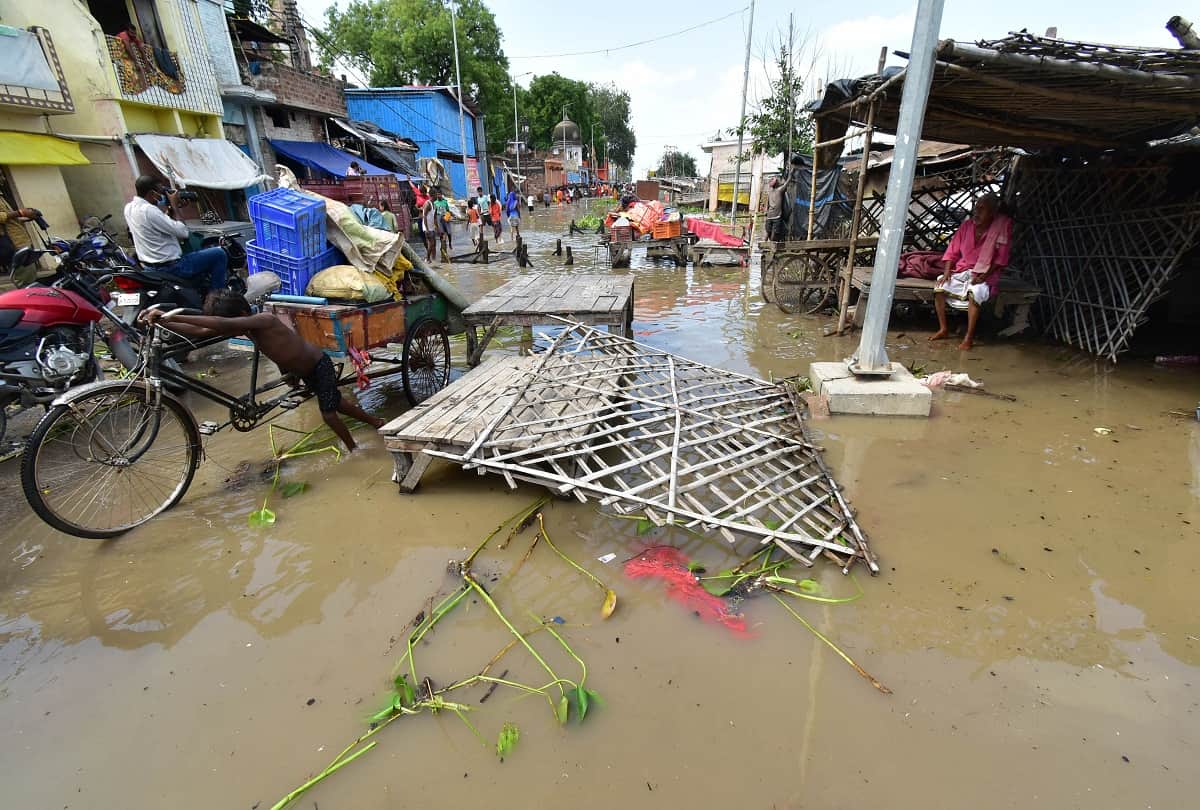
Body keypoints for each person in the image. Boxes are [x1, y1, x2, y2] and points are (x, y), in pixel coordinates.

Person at [143, 291, 383, 450]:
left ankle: (354, 450)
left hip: (319, 366)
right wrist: (163, 322)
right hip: (303, 371)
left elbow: (222, 325)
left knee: (329, 414)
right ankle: (376, 422)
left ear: (242, 315)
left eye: (233, 321)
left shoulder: (264, 320)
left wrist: (167, 314)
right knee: (335, 403)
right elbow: (203, 331)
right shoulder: (247, 325)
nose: (231, 325)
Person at [929, 193, 1013, 351]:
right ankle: (943, 329)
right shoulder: (966, 226)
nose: (977, 213)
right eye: (976, 208)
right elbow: (951, 252)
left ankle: (969, 337)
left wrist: (983, 276)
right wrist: (947, 273)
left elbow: (1000, 259)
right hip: (962, 270)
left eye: (982, 209)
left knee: (976, 292)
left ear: (993, 213)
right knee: (940, 285)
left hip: (986, 275)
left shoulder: (1000, 229)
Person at [124, 175, 227, 290]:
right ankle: (217, 296)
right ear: (152, 193)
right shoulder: (149, 210)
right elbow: (183, 232)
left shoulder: (129, 208)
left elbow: (160, 224)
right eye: (160, 192)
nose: (162, 196)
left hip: (149, 267)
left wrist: (172, 209)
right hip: (172, 267)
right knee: (219, 254)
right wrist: (175, 207)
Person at [0, 196, 37, 270]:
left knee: (30, 272)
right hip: (13, 244)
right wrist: (20, 213)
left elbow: (9, 222)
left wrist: (26, 217)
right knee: (25, 275)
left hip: (20, 241)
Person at [764, 176, 789, 243]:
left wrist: (765, 211)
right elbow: (787, 183)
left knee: (767, 232)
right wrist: (791, 173)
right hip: (776, 216)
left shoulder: (769, 191)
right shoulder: (779, 190)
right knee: (774, 233)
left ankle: (763, 244)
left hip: (769, 215)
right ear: (777, 184)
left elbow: (767, 203)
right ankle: (771, 245)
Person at [421, 191, 439, 261]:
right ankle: (427, 258)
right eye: (436, 195)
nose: (437, 196)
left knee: (434, 244)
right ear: (432, 195)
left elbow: (434, 218)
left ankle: (434, 259)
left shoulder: (434, 205)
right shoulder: (427, 204)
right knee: (431, 243)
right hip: (427, 227)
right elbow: (424, 216)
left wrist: (437, 228)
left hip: (432, 227)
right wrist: (427, 229)